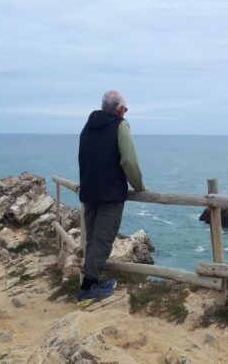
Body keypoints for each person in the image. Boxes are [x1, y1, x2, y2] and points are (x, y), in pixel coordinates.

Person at [76, 90, 147, 306]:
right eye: (125, 109)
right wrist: (139, 186)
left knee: (92, 238)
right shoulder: (120, 125)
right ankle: (88, 288)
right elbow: (129, 161)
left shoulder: (88, 126)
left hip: (89, 192)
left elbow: (83, 157)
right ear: (119, 109)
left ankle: (92, 280)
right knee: (103, 239)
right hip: (109, 194)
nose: (125, 112)